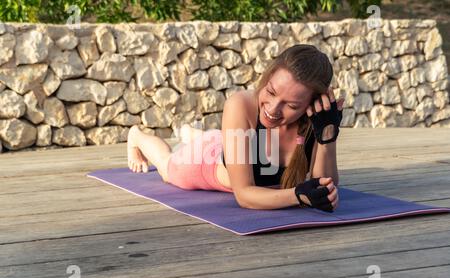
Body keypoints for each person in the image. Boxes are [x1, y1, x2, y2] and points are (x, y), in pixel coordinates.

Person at [127, 44, 344, 211]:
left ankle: (195, 135)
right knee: (167, 167)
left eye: (291, 105)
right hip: (204, 162)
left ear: (312, 104)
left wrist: (327, 136)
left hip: (232, 143)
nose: (273, 109)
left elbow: (325, 187)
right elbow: (244, 195)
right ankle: (137, 136)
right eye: (270, 91)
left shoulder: (315, 120)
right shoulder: (241, 105)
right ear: (267, 77)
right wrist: (297, 195)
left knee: (223, 139)